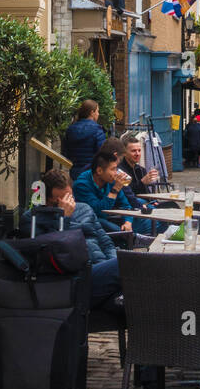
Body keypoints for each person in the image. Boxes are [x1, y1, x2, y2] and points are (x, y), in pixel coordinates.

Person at [22, 169, 121, 309]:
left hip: (101, 272)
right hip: (74, 279)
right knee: (129, 265)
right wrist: (64, 219)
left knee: (132, 293)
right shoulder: (33, 219)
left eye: (68, 197)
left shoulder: (84, 209)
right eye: (58, 200)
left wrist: (110, 263)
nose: (66, 203)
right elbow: (54, 253)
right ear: (47, 198)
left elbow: (106, 243)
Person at [72, 146, 137, 233]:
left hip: (109, 218)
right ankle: (135, 239)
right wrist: (115, 190)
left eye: (116, 168)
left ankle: (136, 238)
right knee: (103, 223)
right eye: (113, 169)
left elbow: (126, 206)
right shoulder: (82, 185)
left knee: (139, 218)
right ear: (99, 171)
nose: (116, 173)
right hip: (88, 223)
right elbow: (100, 212)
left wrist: (128, 222)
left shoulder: (110, 180)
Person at [62, 99, 106, 181]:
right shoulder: (97, 130)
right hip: (92, 173)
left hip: (74, 172)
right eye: (97, 111)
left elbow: (65, 152)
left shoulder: (70, 130)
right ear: (92, 113)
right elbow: (102, 154)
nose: (98, 114)